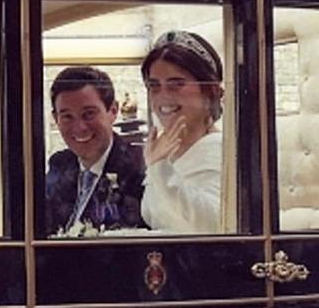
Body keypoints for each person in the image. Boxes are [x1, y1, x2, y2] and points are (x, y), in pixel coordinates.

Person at [140, 30, 224, 234]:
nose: (163, 97)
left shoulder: (221, 152)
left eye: (176, 84)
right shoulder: (163, 152)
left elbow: (211, 226)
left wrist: (160, 169)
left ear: (209, 90)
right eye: (154, 86)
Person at [45, 66, 145, 235]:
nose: (80, 127)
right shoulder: (60, 165)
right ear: (56, 119)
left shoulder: (140, 166)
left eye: (89, 114)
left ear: (113, 111)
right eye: (67, 116)